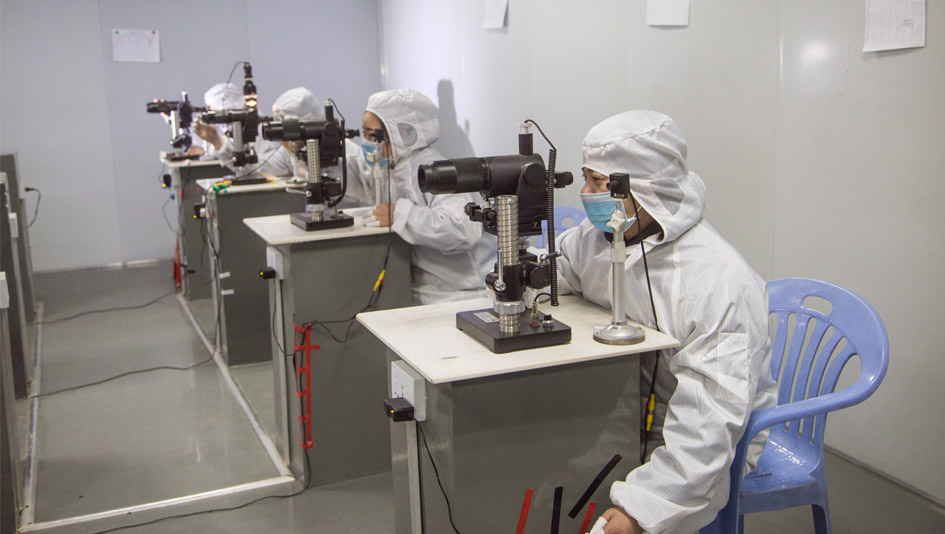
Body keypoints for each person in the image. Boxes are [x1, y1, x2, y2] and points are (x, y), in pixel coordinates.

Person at [554, 110, 777, 534]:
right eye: (585, 178)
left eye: (598, 182)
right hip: (623, 417)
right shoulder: (599, 239)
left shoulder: (716, 282)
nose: (585, 193)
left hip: (694, 444)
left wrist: (639, 510)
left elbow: (709, 423)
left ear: (646, 188)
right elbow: (560, 271)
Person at [344, 89, 494, 304]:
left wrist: (401, 215)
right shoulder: (391, 165)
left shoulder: (434, 170)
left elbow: (461, 229)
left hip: (464, 291)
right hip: (424, 288)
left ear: (403, 133)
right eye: (364, 134)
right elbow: (358, 175)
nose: (366, 143)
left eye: (372, 135)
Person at [194, 84, 324, 178]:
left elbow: (325, 180)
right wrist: (218, 142)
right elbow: (256, 169)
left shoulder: (334, 151)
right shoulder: (286, 153)